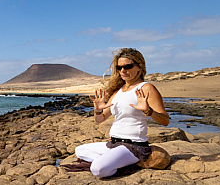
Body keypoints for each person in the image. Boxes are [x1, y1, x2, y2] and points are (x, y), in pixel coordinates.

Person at [72, 48, 170, 178]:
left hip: (133, 146)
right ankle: (114, 161)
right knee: (79, 150)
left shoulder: (146, 88)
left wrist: (148, 110)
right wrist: (98, 110)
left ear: (139, 66)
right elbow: (100, 119)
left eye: (127, 66)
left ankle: (122, 164)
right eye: (119, 67)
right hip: (114, 144)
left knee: (97, 169)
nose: (123, 70)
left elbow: (165, 121)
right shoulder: (118, 92)